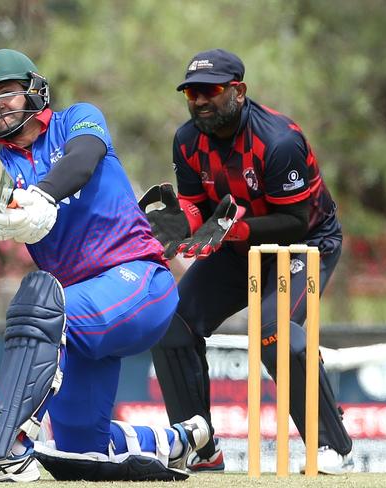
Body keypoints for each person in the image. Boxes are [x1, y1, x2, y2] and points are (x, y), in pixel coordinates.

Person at [0, 48, 210, 483]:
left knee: (38, 302)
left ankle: (1, 446)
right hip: (75, 320)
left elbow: (83, 159)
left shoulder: (77, 119)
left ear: (33, 90)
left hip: (138, 281)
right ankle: (181, 440)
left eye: (7, 91)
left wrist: (43, 195)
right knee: (80, 447)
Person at [142, 49, 354, 474]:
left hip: (306, 244)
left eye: (211, 90)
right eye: (191, 94)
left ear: (238, 91)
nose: (200, 100)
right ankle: (200, 447)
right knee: (170, 322)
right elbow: (197, 205)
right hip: (239, 246)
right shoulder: (187, 140)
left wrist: (235, 231)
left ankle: (333, 445)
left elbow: (295, 221)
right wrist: (179, 223)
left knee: (272, 330)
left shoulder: (278, 140)